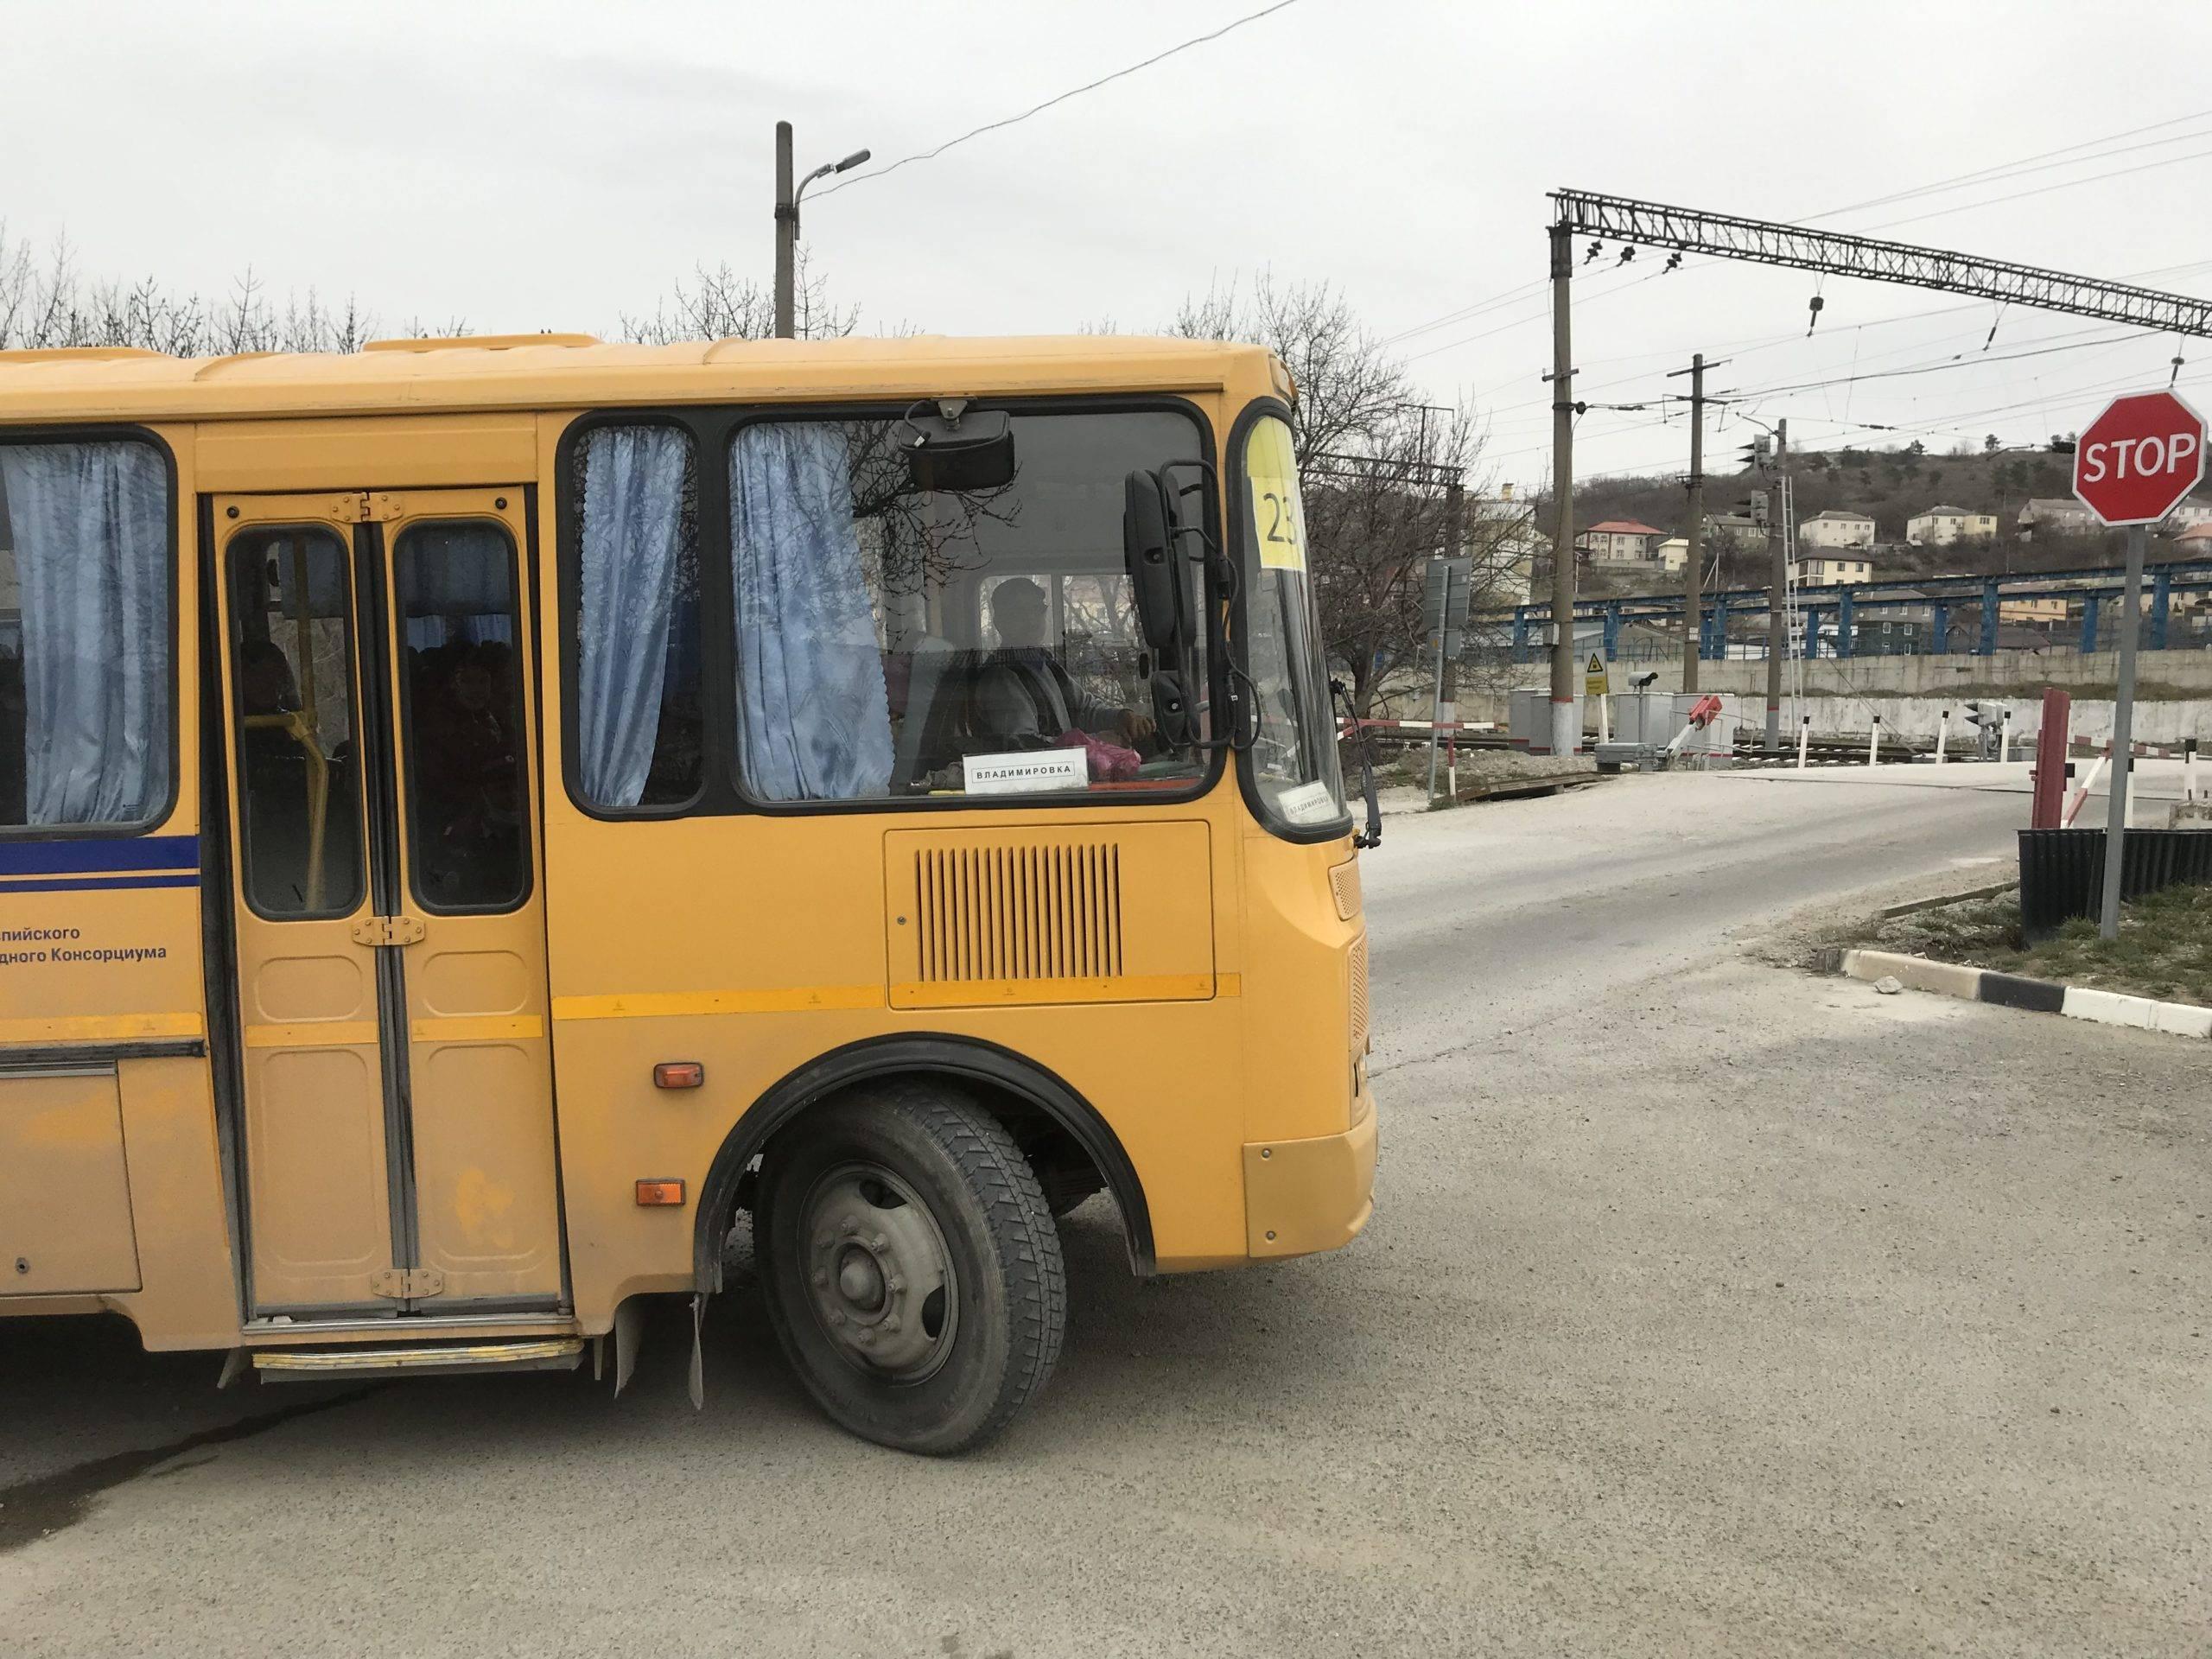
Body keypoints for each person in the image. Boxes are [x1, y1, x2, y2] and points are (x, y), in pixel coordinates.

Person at [969, 577, 1152, 753]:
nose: (1032, 621)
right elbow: (1023, 746)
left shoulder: (1045, 664)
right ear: (1000, 622)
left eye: (1037, 610)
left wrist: (1121, 717)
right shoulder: (1000, 677)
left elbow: (1084, 709)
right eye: (1020, 613)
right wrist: (1095, 742)